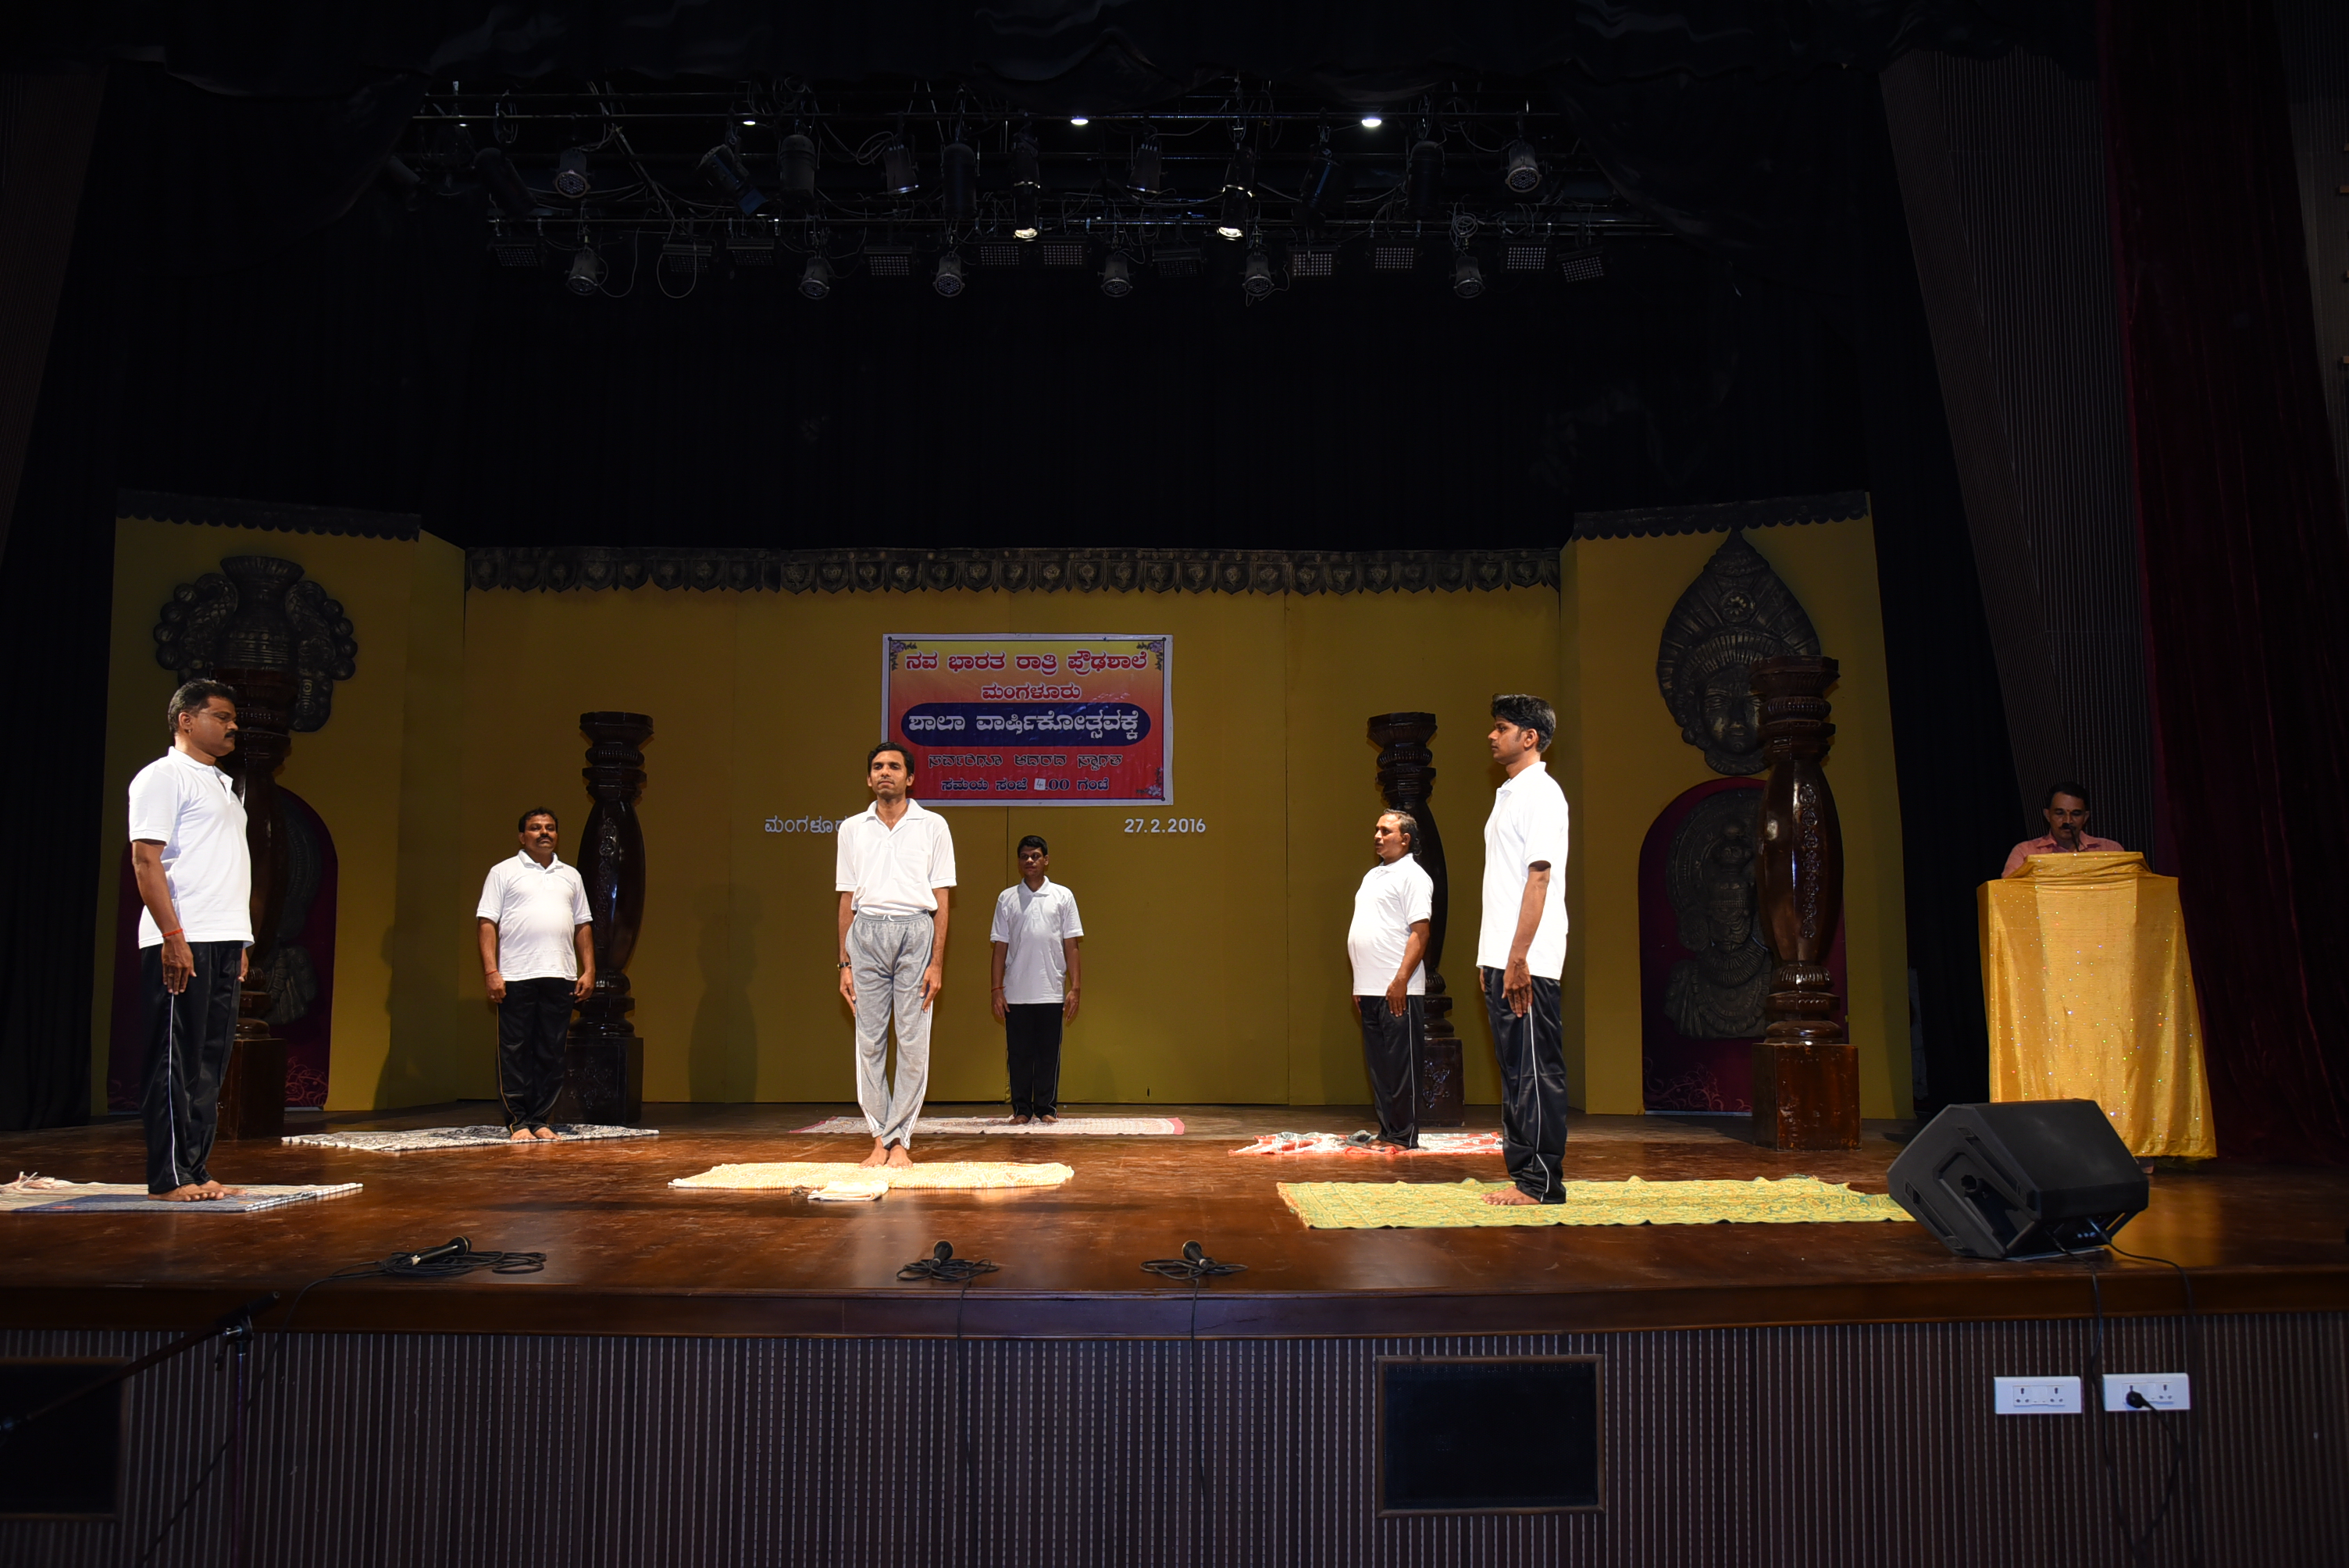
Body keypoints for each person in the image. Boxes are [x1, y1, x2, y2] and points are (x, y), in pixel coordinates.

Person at [127, 679, 253, 1201]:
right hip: (184, 935)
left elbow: (225, 865)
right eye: (221, 717)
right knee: (174, 1059)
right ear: (186, 719)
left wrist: (240, 941)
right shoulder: (163, 776)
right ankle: (169, 1177)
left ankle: (196, 1169)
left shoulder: (223, 783)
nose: (232, 726)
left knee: (208, 1062)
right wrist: (173, 936)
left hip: (223, 938)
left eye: (232, 718)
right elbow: (146, 859)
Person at [837, 742, 957, 1167]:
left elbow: (942, 898)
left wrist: (936, 962)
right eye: (877, 767)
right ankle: (879, 1138)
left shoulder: (933, 825)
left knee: (912, 1041)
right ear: (869, 778)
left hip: (915, 932)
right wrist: (845, 963)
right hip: (866, 933)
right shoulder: (853, 828)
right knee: (869, 1041)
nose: (884, 772)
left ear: (910, 777)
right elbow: (847, 897)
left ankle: (900, 1139)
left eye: (893, 766)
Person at [1477, 693, 1573, 1206]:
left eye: (1502, 727)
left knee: (1536, 1071)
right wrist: (1489, 957)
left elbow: (1539, 878)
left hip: (1528, 958)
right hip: (1505, 957)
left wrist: (1518, 958)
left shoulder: (1542, 793)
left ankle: (1541, 1184)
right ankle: (1524, 1175)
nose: (1492, 736)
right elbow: (1501, 885)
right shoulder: (1511, 794)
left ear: (1529, 737)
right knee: (1516, 1071)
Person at [476, 808, 596, 1141]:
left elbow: (583, 925)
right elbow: (487, 922)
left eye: (550, 828)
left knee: (551, 1051)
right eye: (535, 828)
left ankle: (541, 1120)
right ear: (522, 836)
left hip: (560, 975)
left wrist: (589, 970)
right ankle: (518, 1122)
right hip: (516, 976)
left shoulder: (570, 875)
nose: (544, 833)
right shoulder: (503, 872)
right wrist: (491, 971)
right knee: (515, 1050)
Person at [1346, 811, 1432, 1150]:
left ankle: (1402, 1136)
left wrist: (1401, 981)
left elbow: (1420, 933)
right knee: (1380, 1067)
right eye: (1376, 829)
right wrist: (1360, 984)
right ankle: (1387, 1132)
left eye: (1386, 831)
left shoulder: (1414, 876)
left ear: (1405, 839)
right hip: (1370, 989)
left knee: (1401, 1067)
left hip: (1399, 989)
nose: (1378, 836)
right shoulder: (1373, 875)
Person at [989, 835, 1084, 1124]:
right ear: (1019, 862)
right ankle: (1021, 1110)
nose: (1030, 860)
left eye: (1036, 856)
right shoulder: (1007, 898)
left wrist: (1075, 988)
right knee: (1019, 1054)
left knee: (1047, 1054)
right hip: (1015, 992)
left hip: (1051, 990)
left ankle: (1046, 1109)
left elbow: (1071, 944)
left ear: (1046, 860)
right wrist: (996, 989)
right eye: (1025, 856)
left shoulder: (1063, 896)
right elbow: (1000, 947)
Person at [2002, 782, 2125, 876]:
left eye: (2076, 814)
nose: (2067, 821)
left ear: (2086, 817)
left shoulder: (2111, 850)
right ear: (2047, 815)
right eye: (2060, 813)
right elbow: (2009, 893)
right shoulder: (2025, 852)